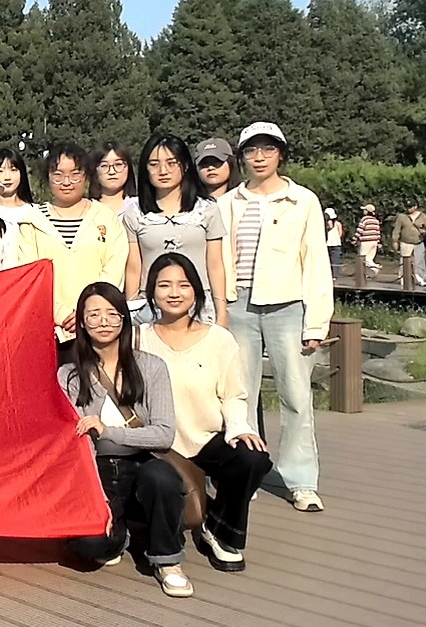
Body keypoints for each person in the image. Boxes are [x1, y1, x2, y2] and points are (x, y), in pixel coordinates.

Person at [219, 121, 332, 513]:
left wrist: (316, 322)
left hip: (288, 306)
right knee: (240, 395)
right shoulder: (228, 202)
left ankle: (301, 481)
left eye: (268, 149)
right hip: (238, 304)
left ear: (281, 155)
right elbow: (218, 259)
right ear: (242, 157)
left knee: (296, 395)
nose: (259, 157)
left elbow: (316, 262)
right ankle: (245, 473)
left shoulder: (303, 201)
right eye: (251, 150)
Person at [137, 253, 273, 574]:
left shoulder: (218, 339)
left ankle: (221, 529)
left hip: (207, 437)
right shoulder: (138, 337)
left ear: (196, 291)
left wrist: (239, 427)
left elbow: (234, 394)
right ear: (151, 291)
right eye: (164, 285)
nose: (174, 293)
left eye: (183, 285)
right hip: (160, 445)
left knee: (253, 458)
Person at [59, 283, 188, 598]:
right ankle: (120, 534)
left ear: (123, 319)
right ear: (81, 322)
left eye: (112, 314)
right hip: (98, 470)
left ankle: (168, 560)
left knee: (161, 478)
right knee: (90, 546)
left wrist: (108, 431)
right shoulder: (68, 375)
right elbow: (73, 441)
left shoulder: (151, 367)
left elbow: (164, 433)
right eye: (93, 315)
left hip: (143, 462)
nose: (103, 321)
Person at [16, 142, 129, 344]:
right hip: (48, 328)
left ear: (86, 175)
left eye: (75, 174)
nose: (66, 182)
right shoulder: (32, 221)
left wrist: (88, 310)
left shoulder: (105, 218)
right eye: (58, 175)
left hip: (98, 326)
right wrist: (61, 314)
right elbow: (29, 275)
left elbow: (114, 268)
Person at [122, 135, 228, 327]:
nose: (163, 171)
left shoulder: (207, 210)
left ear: (185, 166)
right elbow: (134, 267)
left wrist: (221, 313)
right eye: (154, 164)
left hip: (198, 303)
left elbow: (215, 265)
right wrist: (131, 311)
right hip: (151, 306)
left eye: (172, 163)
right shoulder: (134, 213)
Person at [391, 201, 426, 287]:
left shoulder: (422, 216)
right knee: (404, 261)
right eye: (407, 206)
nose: (408, 209)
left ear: (415, 207)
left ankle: (420, 279)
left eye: (410, 207)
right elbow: (397, 229)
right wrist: (395, 240)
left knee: (419, 261)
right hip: (405, 241)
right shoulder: (402, 216)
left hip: (418, 241)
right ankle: (403, 279)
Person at [90, 141, 137, 213]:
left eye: (118, 164)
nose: (112, 172)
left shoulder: (139, 207)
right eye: (104, 166)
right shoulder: (86, 209)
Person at [355, 204, 382, 277]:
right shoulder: (375, 220)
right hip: (374, 241)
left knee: (363, 258)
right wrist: (378, 242)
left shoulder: (364, 219)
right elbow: (377, 232)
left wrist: (355, 239)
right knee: (370, 258)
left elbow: (360, 230)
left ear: (367, 211)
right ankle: (368, 273)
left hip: (366, 241)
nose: (363, 211)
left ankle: (375, 267)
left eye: (364, 210)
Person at [324, 207, 345, 278]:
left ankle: (328, 274)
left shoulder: (324, 224)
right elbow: (340, 234)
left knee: (327, 260)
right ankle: (335, 275)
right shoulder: (338, 224)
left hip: (326, 243)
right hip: (336, 243)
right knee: (335, 260)